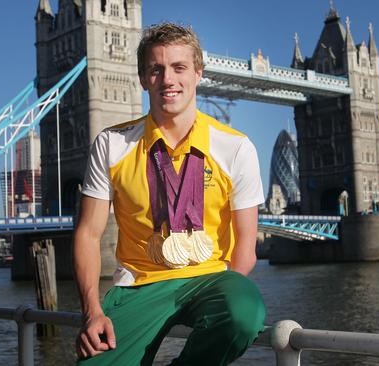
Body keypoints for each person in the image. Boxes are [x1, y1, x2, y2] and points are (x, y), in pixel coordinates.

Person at [74, 22, 265, 366]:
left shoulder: (236, 147)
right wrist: (92, 311)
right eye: (156, 69)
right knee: (95, 363)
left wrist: (228, 292)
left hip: (211, 279)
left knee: (244, 314)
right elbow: (88, 234)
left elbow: (246, 248)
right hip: (139, 284)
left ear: (198, 73)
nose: (168, 79)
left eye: (179, 67)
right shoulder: (112, 144)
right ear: (142, 77)